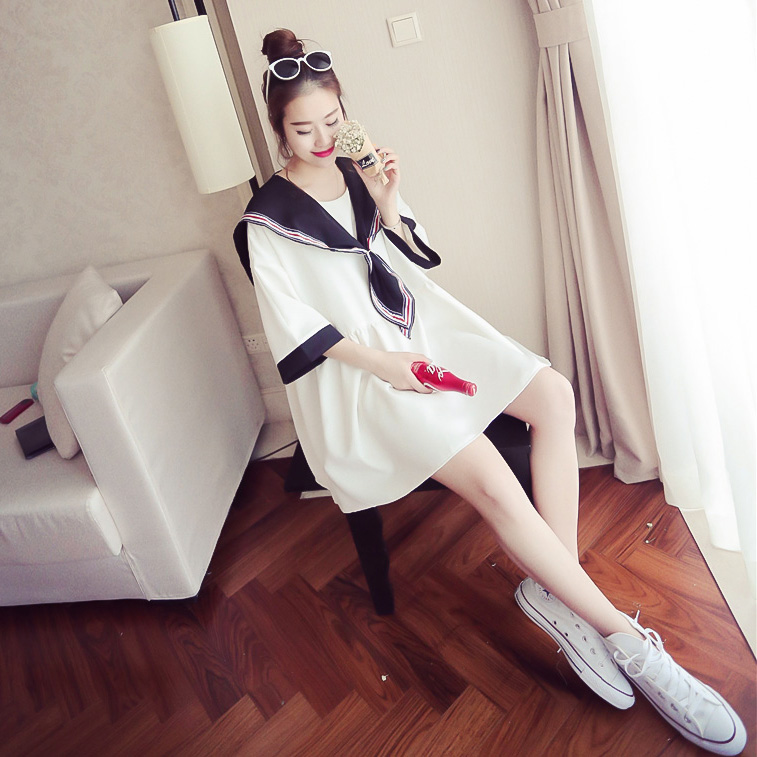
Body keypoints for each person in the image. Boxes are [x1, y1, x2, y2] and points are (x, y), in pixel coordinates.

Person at [233, 28, 747, 756]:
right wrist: (387, 366)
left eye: (330, 121)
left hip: (422, 327)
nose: (320, 140)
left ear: (345, 111)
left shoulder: (354, 170)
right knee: (497, 484)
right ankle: (635, 647)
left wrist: (386, 198)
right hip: (359, 377)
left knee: (554, 396)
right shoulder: (265, 222)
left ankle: (555, 592)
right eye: (301, 129)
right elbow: (297, 330)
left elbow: (407, 256)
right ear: (277, 130)